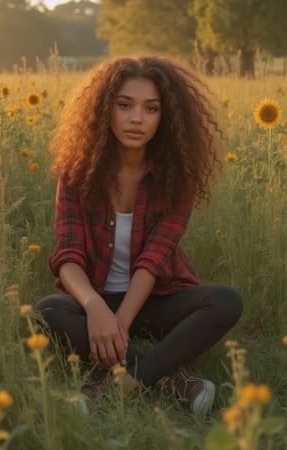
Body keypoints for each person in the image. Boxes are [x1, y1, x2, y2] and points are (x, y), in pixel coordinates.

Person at [35, 55, 243, 415]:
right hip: (97, 296)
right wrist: (95, 307)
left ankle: (119, 384)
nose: (137, 118)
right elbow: (68, 254)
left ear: (165, 117)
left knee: (225, 300)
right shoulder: (77, 171)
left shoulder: (177, 176)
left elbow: (155, 259)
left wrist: (120, 324)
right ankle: (171, 381)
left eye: (151, 108)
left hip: (156, 299)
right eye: (125, 105)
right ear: (105, 110)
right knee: (46, 311)